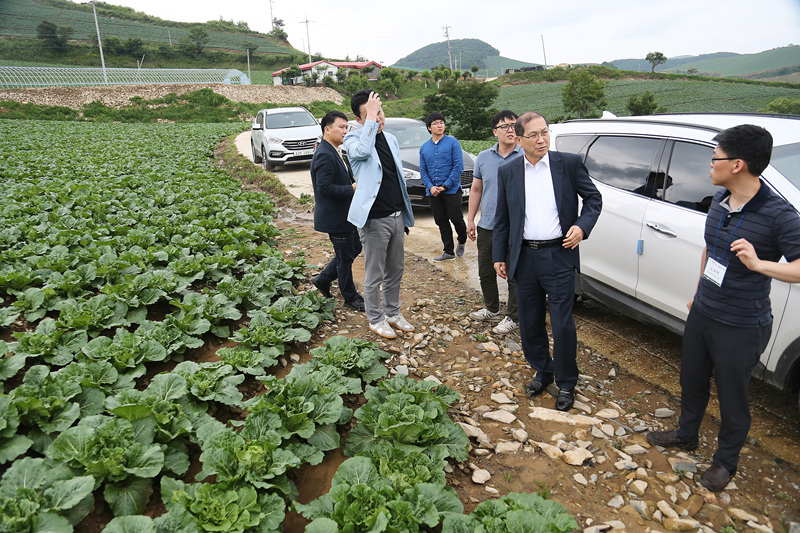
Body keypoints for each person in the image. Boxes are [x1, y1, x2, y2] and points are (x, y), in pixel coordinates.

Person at [646, 124, 800, 492]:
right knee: (692, 380)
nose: (709, 164)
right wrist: (698, 291)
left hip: (742, 323)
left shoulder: (781, 215)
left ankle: (725, 462)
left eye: (714, 157)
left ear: (738, 164)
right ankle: (686, 434)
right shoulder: (719, 199)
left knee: (733, 397)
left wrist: (760, 264)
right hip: (704, 311)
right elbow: (709, 248)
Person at [493, 111, 602, 412]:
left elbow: (594, 199)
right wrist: (499, 256)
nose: (541, 139)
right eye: (534, 135)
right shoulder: (509, 171)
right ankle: (543, 369)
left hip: (559, 255)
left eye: (545, 132)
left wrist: (582, 226)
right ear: (519, 139)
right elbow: (503, 217)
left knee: (562, 322)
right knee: (529, 320)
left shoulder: (567, 164)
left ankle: (566, 382)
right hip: (524, 256)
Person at [344, 89, 416, 339]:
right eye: (372, 114)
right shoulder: (353, 140)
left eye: (381, 112)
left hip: (396, 216)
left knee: (396, 268)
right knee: (375, 273)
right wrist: (371, 121)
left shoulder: (391, 139)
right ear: (359, 120)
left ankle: (393, 313)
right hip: (374, 220)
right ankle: (375, 318)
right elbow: (363, 152)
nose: (379, 118)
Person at [467, 110, 522, 335]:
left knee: (513, 273)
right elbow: (477, 189)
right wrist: (470, 219)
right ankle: (491, 308)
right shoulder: (484, 157)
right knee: (486, 271)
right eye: (504, 126)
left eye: (513, 125)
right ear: (494, 132)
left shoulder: (525, 155)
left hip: (515, 228)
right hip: (488, 224)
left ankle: (513, 316)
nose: (510, 129)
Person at [309, 111, 364, 311]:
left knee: (354, 248)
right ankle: (350, 297)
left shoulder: (334, 150)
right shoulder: (324, 154)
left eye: (346, 127)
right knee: (344, 257)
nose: (345, 131)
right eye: (341, 127)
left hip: (345, 215)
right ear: (327, 129)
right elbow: (324, 188)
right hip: (336, 217)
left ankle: (323, 278)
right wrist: (352, 188)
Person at [419, 112, 467, 261]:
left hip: (451, 190)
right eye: (436, 123)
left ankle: (462, 238)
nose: (440, 125)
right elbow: (423, 170)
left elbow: (458, 166)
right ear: (429, 127)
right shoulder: (424, 148)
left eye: (442, 122)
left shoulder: (453, 143)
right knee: (441, 221)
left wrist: (445, 186)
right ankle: (448, 252)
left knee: (456, 218)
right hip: (433, 192)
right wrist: (431, 186)